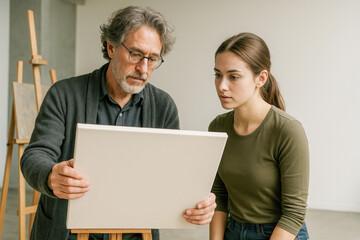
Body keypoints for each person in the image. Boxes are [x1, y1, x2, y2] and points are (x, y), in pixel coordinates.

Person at [21, 6, 216, 240]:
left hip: (135, 234)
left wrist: (197, 200)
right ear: (111, 47)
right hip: (68, 233)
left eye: (152, 59)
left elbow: (169, 177)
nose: (143, 69)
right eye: (135, 54)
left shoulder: (164, 106)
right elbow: (35, 155)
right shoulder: (63, 94)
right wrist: (51, 176)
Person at [209, 32, 310, 240]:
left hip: (279, 234)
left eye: (233, 76)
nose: (222, 86)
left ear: (260, 78)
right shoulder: (218, 127)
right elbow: (219, 196)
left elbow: (293, 214)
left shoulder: (288, 130)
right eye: (218, 74)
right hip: (233, 232)